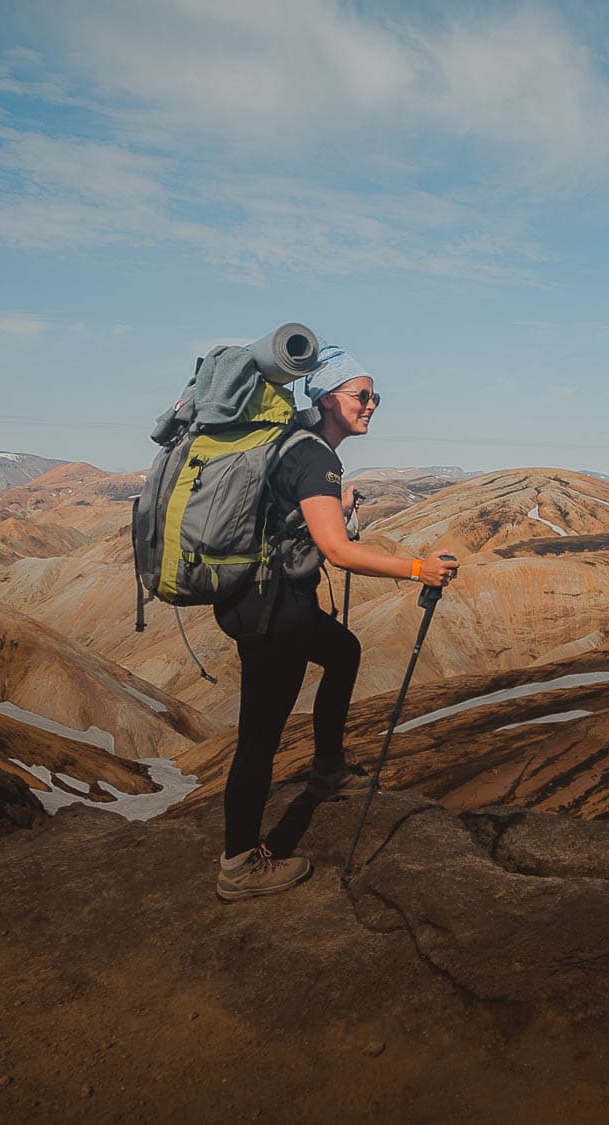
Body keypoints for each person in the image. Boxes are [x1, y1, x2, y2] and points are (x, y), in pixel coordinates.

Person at [216, 343, 459, 902]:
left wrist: (336, 502)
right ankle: (237, 867)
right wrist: (418, 568)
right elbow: (339, 552)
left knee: (343, 651)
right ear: (328, 397)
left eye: (376, 396)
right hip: (273, 610)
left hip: (263, 601)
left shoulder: (297, 448)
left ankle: (326, 768)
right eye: (362, 395)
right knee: (259, 739)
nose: (372, 404)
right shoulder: (315, 457)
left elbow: (292, 520)